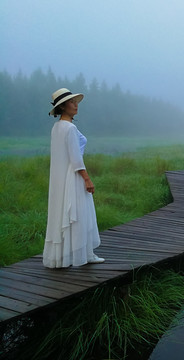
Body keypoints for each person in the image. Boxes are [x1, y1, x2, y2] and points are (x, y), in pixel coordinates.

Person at [43, 88, 104, 268]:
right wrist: (87, 179)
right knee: (80, 213)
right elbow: (75, 158)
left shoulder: (56, 127)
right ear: (62, 107)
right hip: (73, 176)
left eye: (76, 102)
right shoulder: (69, 128)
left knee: (64, 211)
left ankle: (63, 256)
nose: (76, 105)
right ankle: (84, 254)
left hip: (61, 178)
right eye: (72, 102)